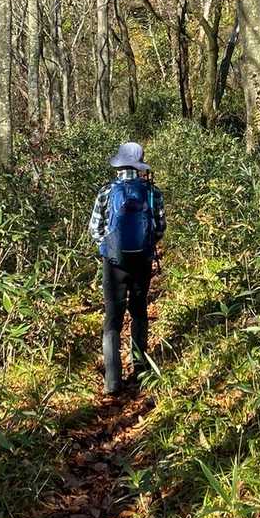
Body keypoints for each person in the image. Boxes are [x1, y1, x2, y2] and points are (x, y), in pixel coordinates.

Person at [88, 141, 166, 396]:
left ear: (119, 165)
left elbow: (95, 229)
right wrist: (145, 246)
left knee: (113, 317)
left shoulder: (106, 191)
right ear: (139, 165)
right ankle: (141, 371)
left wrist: (109, 248)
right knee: (139, 311)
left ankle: (112, 380)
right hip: (142, 261)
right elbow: (160, 228)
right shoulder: (152, 192)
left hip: (114, 264)